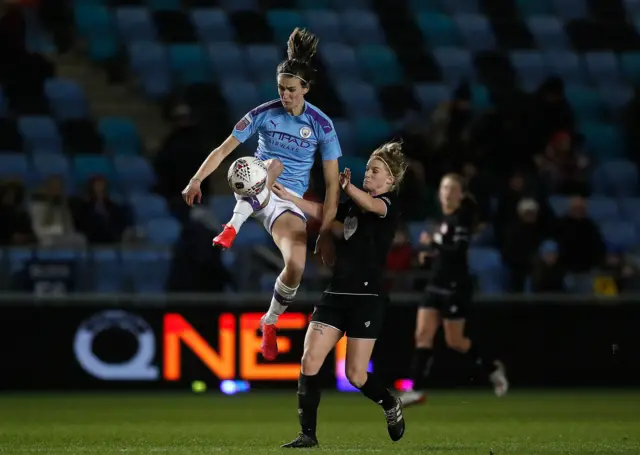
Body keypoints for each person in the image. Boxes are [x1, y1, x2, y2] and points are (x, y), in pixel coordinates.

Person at [181, 28, 341, 362]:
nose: (286, 95)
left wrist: (325, 230)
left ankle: (269, 322)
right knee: (272, 164)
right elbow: (224, 148)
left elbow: (331, 182)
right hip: (256, 179)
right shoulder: (264, 113)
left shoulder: (322, 125)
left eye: (292, 90)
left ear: (306, 89)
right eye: (281, 88)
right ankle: (231, 228)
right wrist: (196, 179)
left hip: (286, 202)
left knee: (295, 266)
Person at [272, 142, 407, 449]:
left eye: (375, 171)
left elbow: (372, 206)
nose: (368, 174)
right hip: (336, 295)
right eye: (369, 169)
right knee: (309, 360)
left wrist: (347, 187)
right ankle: (308, 435)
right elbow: (324, 212)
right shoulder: (351, 207)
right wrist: (291, 197)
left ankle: (389, 404)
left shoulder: (388, 206)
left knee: (356, 375)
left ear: (390, 181)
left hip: (367, 298)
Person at [398, 174, 509, 407]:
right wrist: (429, 255)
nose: (447, 192)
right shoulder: (445, 219)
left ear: (461, 194)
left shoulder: (463, 219)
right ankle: (415, 390)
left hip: (455, 287)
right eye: (444, 187)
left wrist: (435, 242)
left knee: (456, 341)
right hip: (435, 284)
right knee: (422, 334)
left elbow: (457, 250)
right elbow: (445, 251)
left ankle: (492, 367)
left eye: (452, 188)